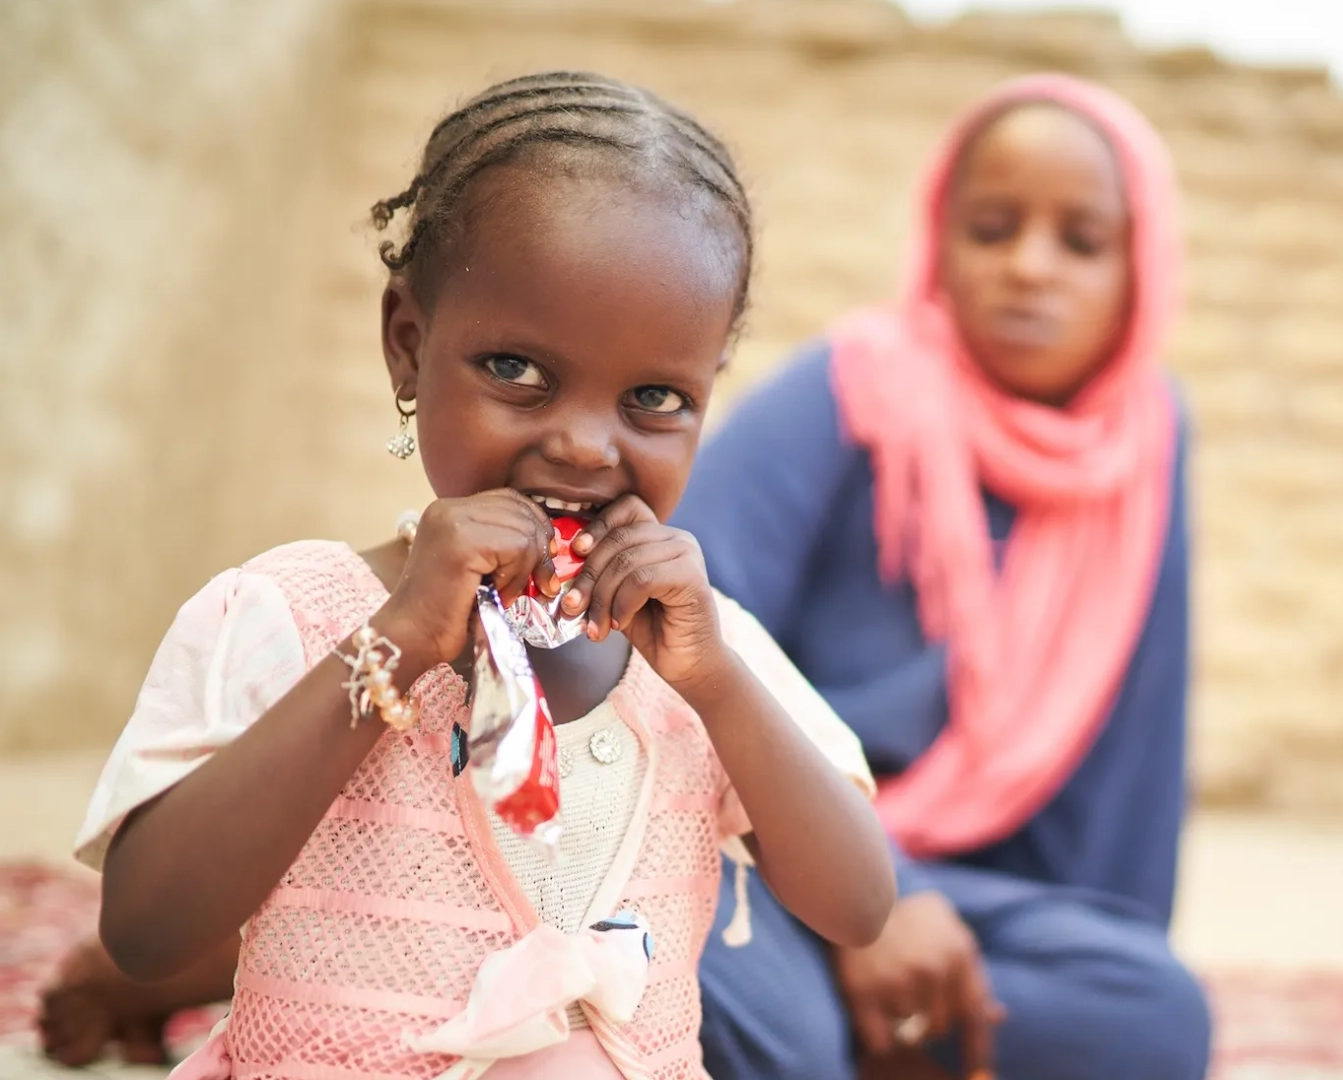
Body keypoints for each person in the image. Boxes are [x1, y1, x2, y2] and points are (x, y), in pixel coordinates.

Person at [42, 71, 895, 1079]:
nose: (584, 445)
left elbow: (858, 905)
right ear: (409, 346)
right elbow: (149, 928)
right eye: (516, 371)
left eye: (655, 397)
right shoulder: (292, 614)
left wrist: (718, 687)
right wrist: (395, 645)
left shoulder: (705, 656)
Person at [679, 74, 1211, 1080]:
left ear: (1140, 271)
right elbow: (681, 637)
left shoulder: (1147, 447)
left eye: (1081, 243)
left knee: (1151, 1013)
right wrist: (869, 903)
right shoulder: (852, 387)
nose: (1030, 269)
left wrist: (1112, 957)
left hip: (977, 914)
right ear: (939, 239)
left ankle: (876, 1031)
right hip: (778, 850)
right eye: (993, 229)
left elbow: (1136, 771)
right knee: (733, 996)